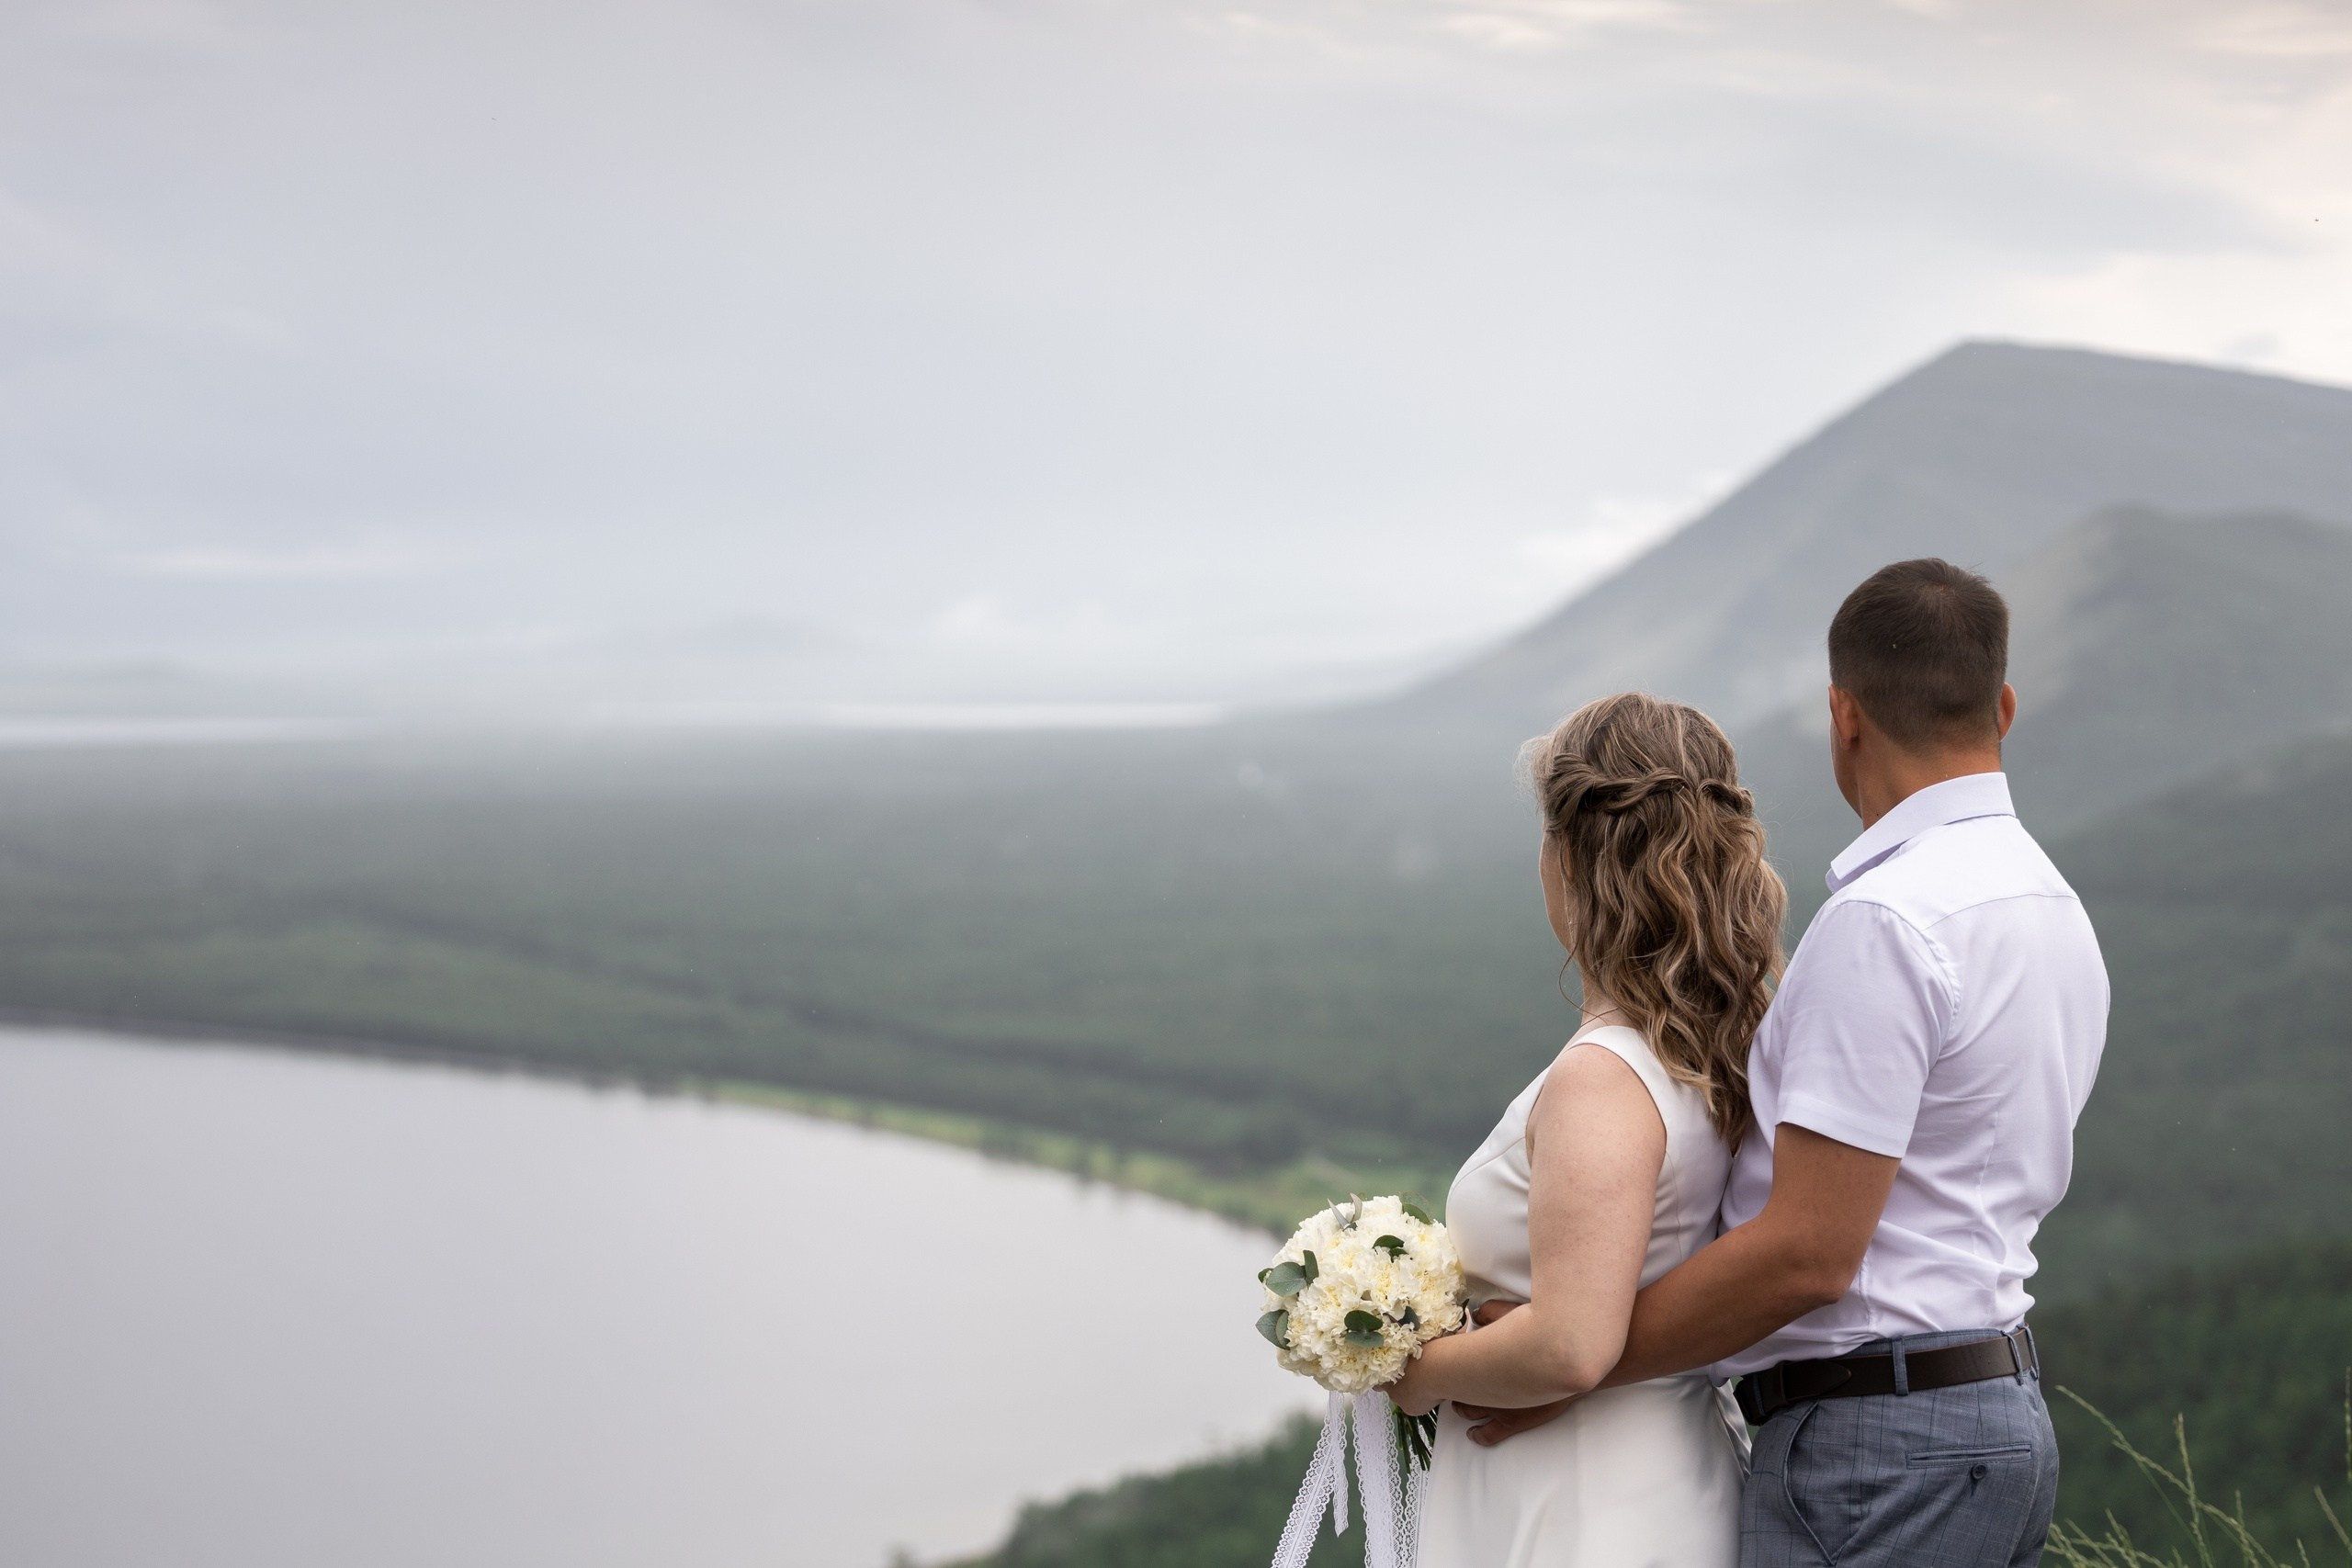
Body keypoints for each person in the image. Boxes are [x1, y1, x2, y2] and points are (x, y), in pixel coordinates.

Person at [1450, 558, 2110, 1568]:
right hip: (1994, 1413)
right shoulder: (2049, 904)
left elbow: (1809, 1252)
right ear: (2004, 707)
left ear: (1842, 715)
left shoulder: (1886, 919)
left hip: (1880, 1442)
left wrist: (1560, 1363)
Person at [1387, 690, 1785, 1566]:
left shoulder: (1601, 1078)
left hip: (1583, 1501)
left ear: (1566, 855)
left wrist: (1411, 1368)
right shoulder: (1717, 1043)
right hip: (1651, 1472)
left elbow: (1571, 1344)